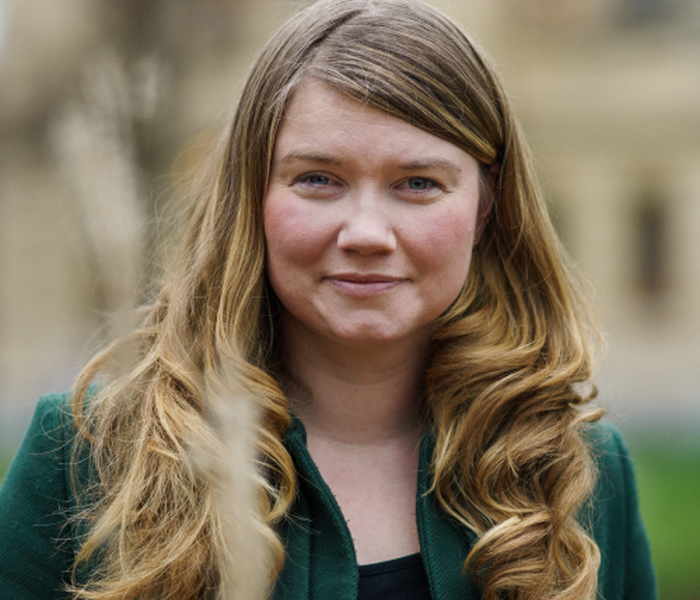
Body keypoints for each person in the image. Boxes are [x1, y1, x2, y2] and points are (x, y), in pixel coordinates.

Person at [0, 0, 656, 598]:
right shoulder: (91, 454)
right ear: (252, 196)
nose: (366, 233)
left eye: (418, 183)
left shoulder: (573, 471)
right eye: (317, 179)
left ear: (486, 206)